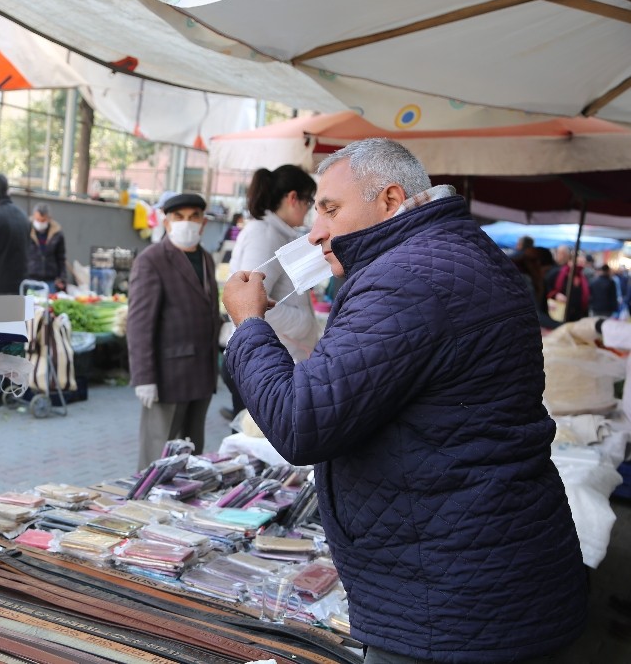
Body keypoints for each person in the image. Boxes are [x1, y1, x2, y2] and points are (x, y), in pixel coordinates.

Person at [222, 138, 587, 663]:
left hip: (451, 599)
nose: (316, 230)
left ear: (390, 200)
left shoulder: (406, 278)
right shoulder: (455, 251)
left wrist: (249, 324)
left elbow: (299, 423)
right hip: (480, 568)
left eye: (330, 209)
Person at [127, 193, 221, 469]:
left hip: (201, 375)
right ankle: (146, 509)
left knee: (191, 458)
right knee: (158, 457)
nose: (187, 223)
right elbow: (139, 323)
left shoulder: (206, 259)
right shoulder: (152, 260)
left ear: (203, 224)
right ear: (167, 223)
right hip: (167, 377)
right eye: (179, 217)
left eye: (194, 217)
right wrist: (143, 376)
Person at [220, 165, 321, 421]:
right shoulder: (265, 234)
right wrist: (304, 323)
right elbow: (248, 301)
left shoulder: (275, 233)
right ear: (292, 198)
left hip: (267, 354)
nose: (310, 209)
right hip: (259, 358)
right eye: (310, 201)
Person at [26, 202, 67, 292]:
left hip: (50, 281)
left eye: (43, 220)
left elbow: (61, 258)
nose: (40, 223)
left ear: (49, 219)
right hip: (29, 279)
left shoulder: (57, 233)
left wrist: (62, 278)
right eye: (38, 220)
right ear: (33, 217)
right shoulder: (26, 230)